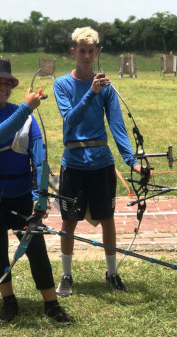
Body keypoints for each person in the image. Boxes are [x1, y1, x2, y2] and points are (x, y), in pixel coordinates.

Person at [0, 59, 75, 324]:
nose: (2, 87)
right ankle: (9, 302)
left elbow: (39, 159)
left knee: (36, 246)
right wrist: (26, 108)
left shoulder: (27, 117)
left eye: (7, 83)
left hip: (22, 193)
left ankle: (51, 304)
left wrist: (41, 196)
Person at [52, 27, 146, 296]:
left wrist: (132, 162)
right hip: (73, 161)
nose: (86, 56)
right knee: (69, 220)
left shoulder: (106, 86)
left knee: (107, 219)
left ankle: (112, 273)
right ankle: (66, 275)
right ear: (74, 52)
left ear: (96, 52)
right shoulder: (62, 84)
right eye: (81, 51)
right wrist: (91, 92)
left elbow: (117, 125)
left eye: (91, 51)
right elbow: (70, 120)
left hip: (101, 162)